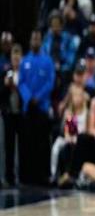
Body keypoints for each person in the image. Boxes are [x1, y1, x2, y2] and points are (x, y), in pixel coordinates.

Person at [18, 30, 55, 185]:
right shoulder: (24, 61)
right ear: (30, 41)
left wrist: (38, 97)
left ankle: (43, 176)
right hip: (28, 109)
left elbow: (50, 83)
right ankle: (28, 177)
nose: (35, 41)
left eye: (38, 39)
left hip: (42, 108)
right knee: (28, 143)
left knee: (42, 143)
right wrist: (28, 98)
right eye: (33, 39)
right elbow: (21, 82)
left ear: (41, 41)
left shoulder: (48, 61)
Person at [0, 44, 23, 186]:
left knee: (21, 146)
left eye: (18, 55)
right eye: (14, 55)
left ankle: (18, 177)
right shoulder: (5, 72)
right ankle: (8, 177)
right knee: (8, 146)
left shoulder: (24, 73)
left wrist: (18, 87)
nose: (16, 58)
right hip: (8, 113)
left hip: (21, 113)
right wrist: (5, 85)